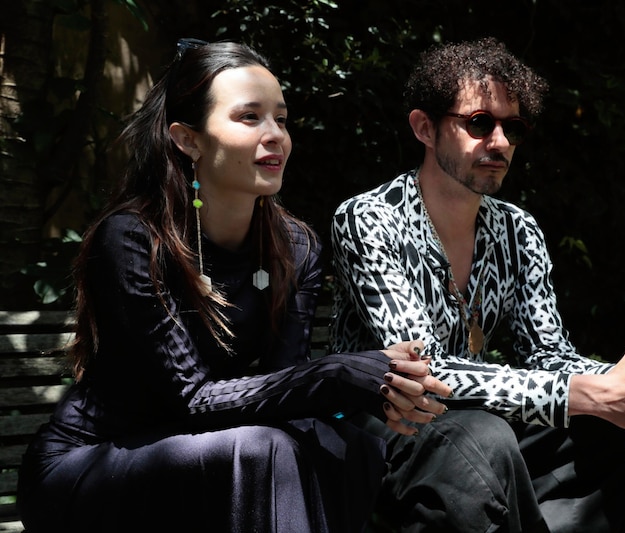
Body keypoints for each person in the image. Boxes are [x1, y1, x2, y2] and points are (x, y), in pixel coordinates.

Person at [16, 39, 451, 533]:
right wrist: (336, 373)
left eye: (281, 120)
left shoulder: (295, 246)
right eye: (250, 118)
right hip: (95, 466)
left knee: (349, 443)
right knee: (264, 449)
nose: (276, 137)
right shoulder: (135, 240)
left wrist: (373, 386)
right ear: (189, 140)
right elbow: (192, 398)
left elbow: (284, 386)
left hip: (211, 455)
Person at [330, 37, 625, 533]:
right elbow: (425, 373)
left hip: (476, 427)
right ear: (424, 128)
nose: (501, 142)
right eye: (480, 122)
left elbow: (548, 353)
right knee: (484, 439)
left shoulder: (518, 230)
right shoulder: (368, 218)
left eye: (515, 127)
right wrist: (591, 393)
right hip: (383, 429)